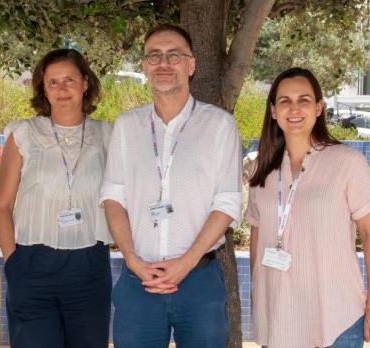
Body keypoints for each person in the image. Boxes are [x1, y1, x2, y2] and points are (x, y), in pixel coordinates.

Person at [102, 24, 242, 348]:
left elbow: (228, 203)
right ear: (145, 66)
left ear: (191, 65)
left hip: (199, 280)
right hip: (139, 281)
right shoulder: (127, 125)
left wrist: (186, 262)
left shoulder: (219, 125)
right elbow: (112, 198)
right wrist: (133, 260)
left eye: (174, 55)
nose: (164, 63)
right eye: (155, 56)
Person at [245, 67, 370, 348]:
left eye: (304, 100)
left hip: (336, 317)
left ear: (319, 108)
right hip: (278, 318)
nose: (294, 108)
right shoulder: (261, 169)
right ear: (273, 111)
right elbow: (256, 236)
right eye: (285, 101)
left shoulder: (347, 162)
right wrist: (258, 296)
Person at [0, 48, 113, 348]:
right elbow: (3, 205)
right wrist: (13, 263)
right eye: (53, 82)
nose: (62, 89)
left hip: (90, 265)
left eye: (70, 80)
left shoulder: (108, 135)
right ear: (43, 88)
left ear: (85, 83)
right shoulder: (23, 133)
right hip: (32, 263)